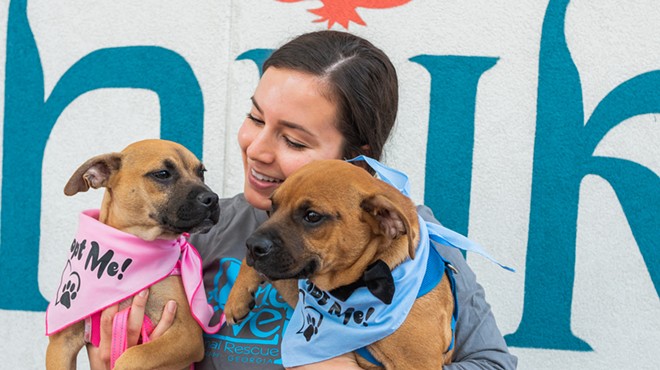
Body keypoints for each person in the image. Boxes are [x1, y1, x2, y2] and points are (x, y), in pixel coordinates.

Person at [89, 30, 517, 370]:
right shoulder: (201, 229)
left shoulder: (416, 245)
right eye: (255, 117)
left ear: (354, 157)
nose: (257, 148)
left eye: (293, 140)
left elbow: (495, 364)